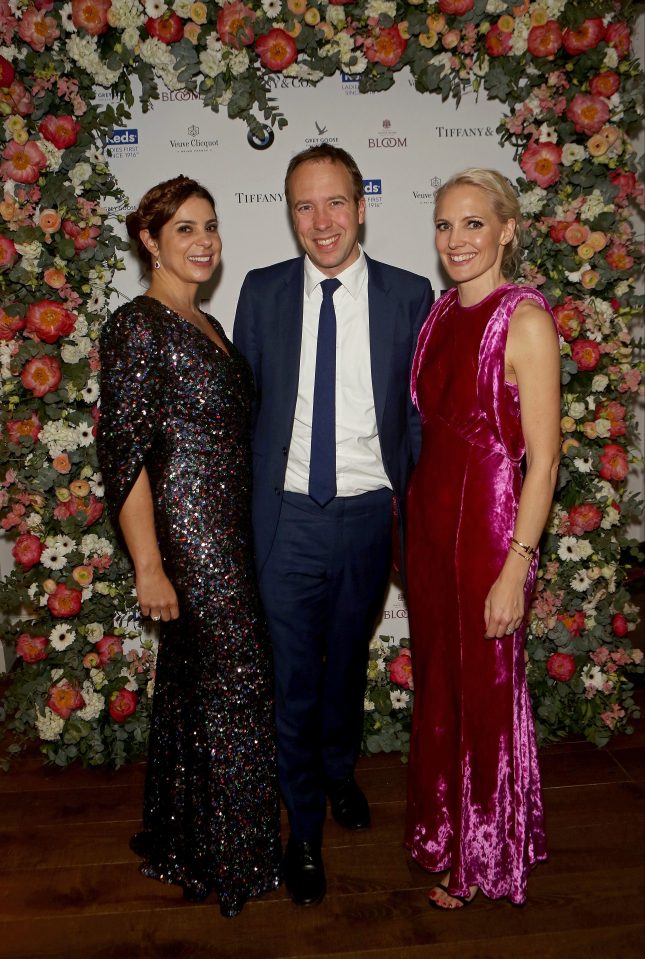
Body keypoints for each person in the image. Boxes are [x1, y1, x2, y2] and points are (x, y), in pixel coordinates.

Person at [234, 145, 433, 906]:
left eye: (335, 203)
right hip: (285, 518)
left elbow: (416, 419)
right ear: (289, 213)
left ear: (361, 204)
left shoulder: (410, 294)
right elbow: (246, 415)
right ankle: (303, 832)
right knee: (291, 680)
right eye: (303, 206)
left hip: (366, 517)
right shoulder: (261, 291)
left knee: (345, 664)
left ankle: (340, 770)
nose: (321, 222)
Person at [97, 175, 281, 918]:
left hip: (227, 529)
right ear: (149, 241)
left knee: (194, 690)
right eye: (183, 229)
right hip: (189, 535)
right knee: (241, 684)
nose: (202, 240)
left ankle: (186, 840)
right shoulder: (137, 324)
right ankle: (238, 860)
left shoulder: (203, 321)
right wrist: (150, 563)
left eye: (209, 226)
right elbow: (124, 454)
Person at [404, 169, 560, 909]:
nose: (456, 240)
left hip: (490, 530)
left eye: (472, 223)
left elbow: (544, 457)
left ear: (506, 229)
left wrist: (514, 566)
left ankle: (484, 854)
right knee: (442, 685)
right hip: (431, 525)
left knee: (484, 691)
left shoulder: (523, 318)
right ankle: (449, 831)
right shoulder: (439, 314)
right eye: (444, 225)